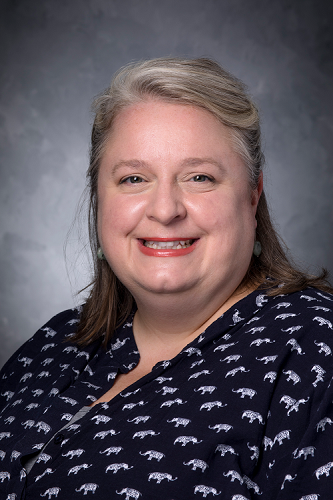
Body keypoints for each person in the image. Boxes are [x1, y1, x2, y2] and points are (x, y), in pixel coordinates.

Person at [0, 57, 333, 500]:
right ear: (100, 199)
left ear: (252, 197)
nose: (165, 209)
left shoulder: (314, 349)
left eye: (199, 177)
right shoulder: (55, 342)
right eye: (133, 178)